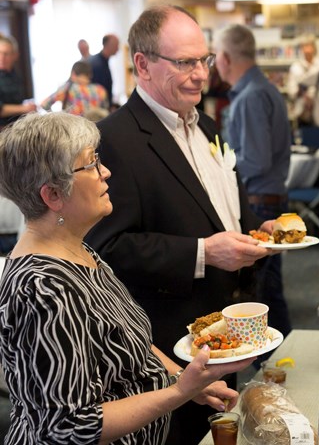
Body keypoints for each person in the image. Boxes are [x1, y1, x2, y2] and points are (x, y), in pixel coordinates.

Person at [0, 112, 254, 444]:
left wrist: (184, 378)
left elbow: (130, 340)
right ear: (53, 196)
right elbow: (70, 427)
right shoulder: (44, 288)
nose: (105, 172)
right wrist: (179, 391)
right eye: (90, 165)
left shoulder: (80, 252)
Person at [84, 4, 272, 444]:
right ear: (143, 65)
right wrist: (204, 253)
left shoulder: (205, 124)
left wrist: (262, 234)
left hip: (230, 330)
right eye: (184, 62)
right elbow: (107, 249)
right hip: (169, 346)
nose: (201, 74)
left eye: (203, 60)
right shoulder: (115, 138)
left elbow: (222, 209)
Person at [214, 24, 292, 338]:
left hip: (259, 202)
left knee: (261, 297)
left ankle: (276, 371)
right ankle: (280, 367)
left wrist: (217, 169)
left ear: (224, 58)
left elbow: (255, 161)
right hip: (267, 197)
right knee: (269, 293)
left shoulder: (250, 96)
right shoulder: (262, 89)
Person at [41, 60, 109, 118]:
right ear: (90, 75)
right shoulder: (100, 90)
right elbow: (105, 110)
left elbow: (44, 104)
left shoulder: (66, 88)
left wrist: (56, 118)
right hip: (95, 130)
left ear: (73, 74)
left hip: (73, 130)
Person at [287, 35, 319, 125]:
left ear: (314, 47)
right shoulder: (295, 67)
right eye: (304, 46)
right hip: (301, 110)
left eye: (309, 46)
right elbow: (291, 89)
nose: (307, 49)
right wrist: (303, 95)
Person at [0, 35, 36, 127]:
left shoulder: (15, 75)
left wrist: (28, 106)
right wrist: (24, 108)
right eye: (0, 53)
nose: (2, 58)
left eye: (6, 54)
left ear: (15, 55)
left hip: (16, 126)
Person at [89, 33, 119, 106]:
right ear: (109, 45)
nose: (118, 48)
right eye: (116, 45)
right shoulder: (97, 64)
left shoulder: (103, 61)